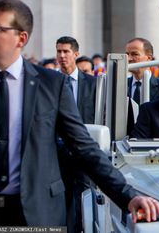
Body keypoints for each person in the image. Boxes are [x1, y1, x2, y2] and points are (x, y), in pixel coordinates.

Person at [0, 0, 159, 226]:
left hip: (38, 213)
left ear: (21, 38)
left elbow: (83, 146)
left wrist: (128, 195)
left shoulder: (50, 85)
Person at [56, 36, 97, 232]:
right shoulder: (49, 83)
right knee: (61, 202)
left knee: (84, 199)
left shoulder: (93, 84)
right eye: (59, 51)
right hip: (57, 153)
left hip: (84, 152)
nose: (62, 56)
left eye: (66, 51)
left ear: (76, 54)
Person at [125, 37, 159, 105]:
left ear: (149, 58)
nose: (129, 58)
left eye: (135, 54)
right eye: (127, 54)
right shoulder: (120, 86)